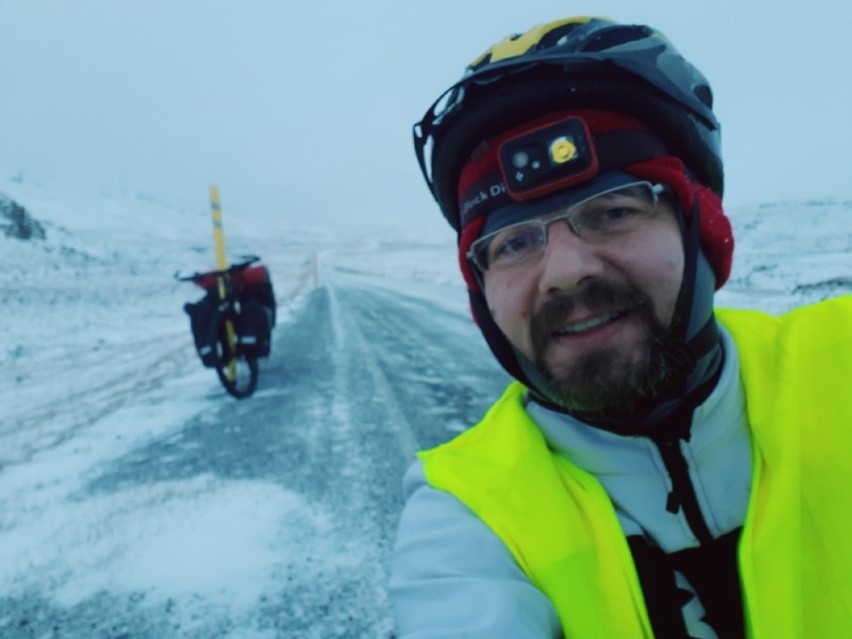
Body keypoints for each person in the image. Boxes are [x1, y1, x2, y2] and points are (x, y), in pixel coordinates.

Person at [390, 16, 852, 638]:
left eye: (611, 211)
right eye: (513, 242)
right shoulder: (467, 511)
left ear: (699, 233)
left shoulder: (838, 361)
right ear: (482, 291)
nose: (564, 271)